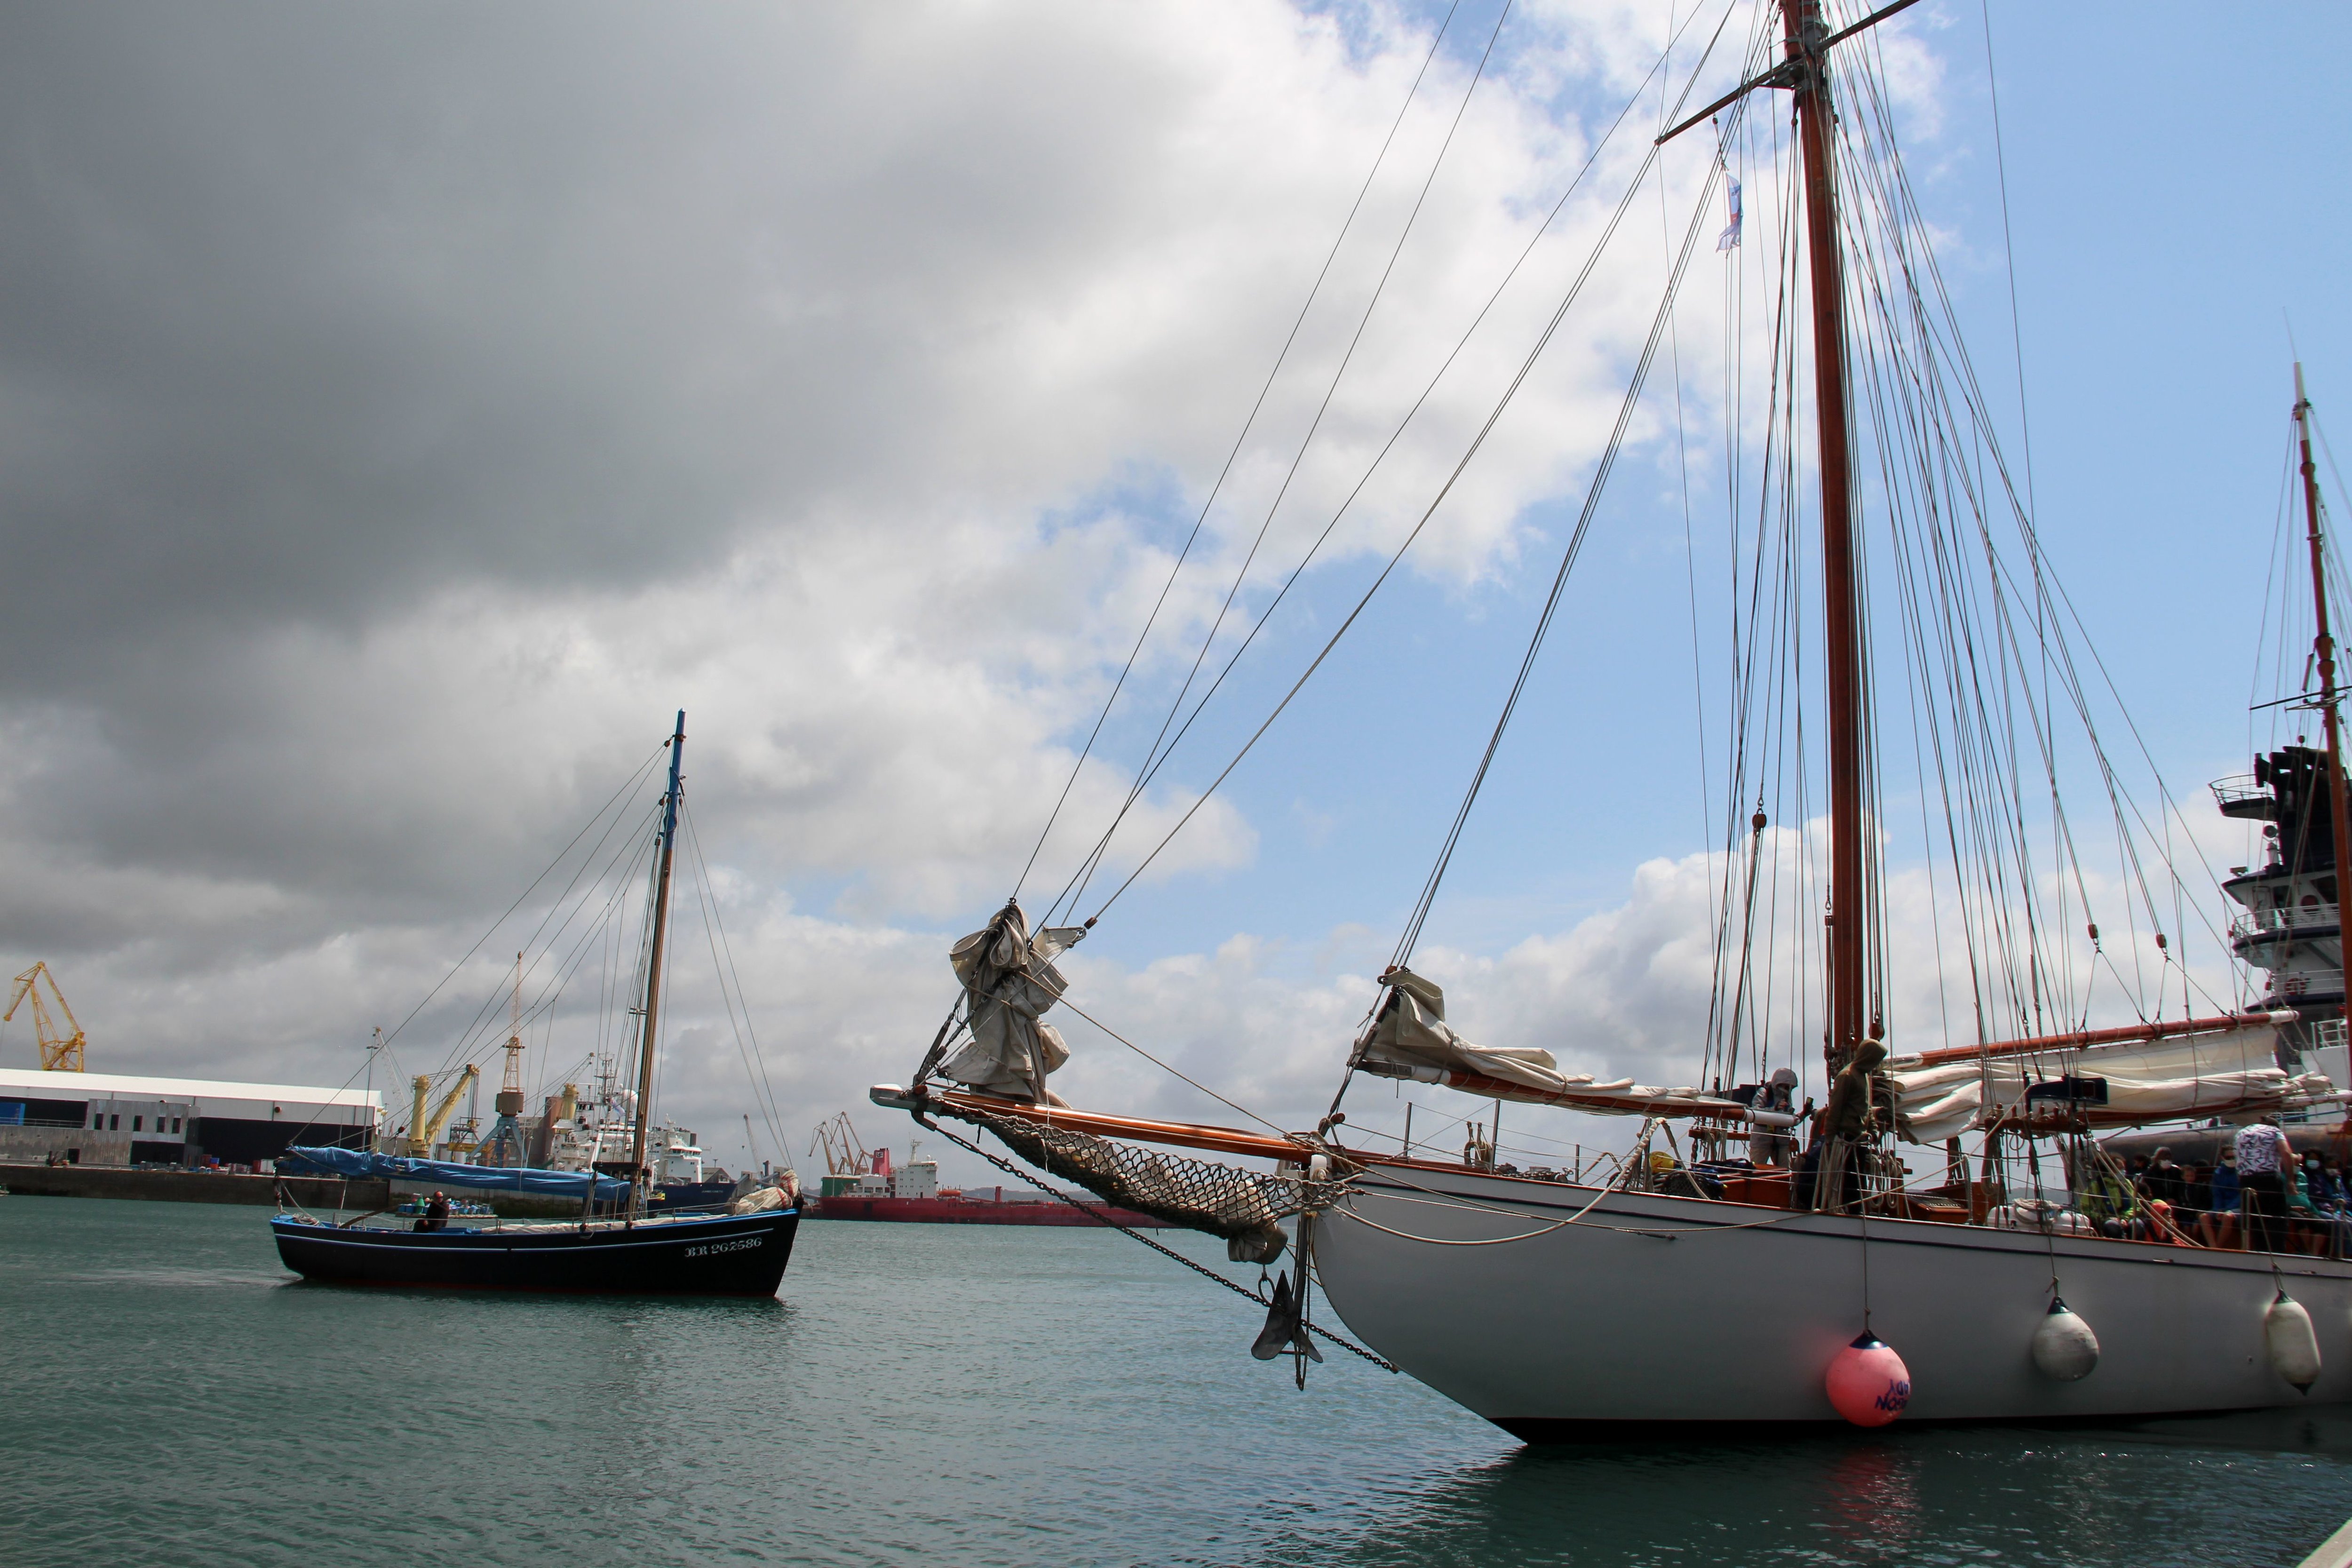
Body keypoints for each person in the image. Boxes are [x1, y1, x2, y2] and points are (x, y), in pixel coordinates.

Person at [2236, 1115, 2293, 1252]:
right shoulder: (2274, 1131)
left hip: (2246, 1180)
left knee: (2254, 1222)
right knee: (2276, 1220)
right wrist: (2291, 1181)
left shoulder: (2241, 1133)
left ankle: (2258, 1253)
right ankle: (2278, 1254)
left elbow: (2240, 1160)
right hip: (2268, 1179)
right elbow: (2286, 1153)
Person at [2198, 1148, 2241, 1250]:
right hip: (2222, 1207)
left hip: (2238, 1208)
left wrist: (2227, 1209)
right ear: (2223, 1158)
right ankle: (2213, 1247)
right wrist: (2218, 1210)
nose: (2232, 1160)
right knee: (2204, 1217)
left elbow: (2242, 1195)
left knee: (2228, 1217)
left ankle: (2219, 1248)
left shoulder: (2241, 1172)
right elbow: (2217, 1194)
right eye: (2228, 1158)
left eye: (2234, 1157)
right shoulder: (2218, 1173)